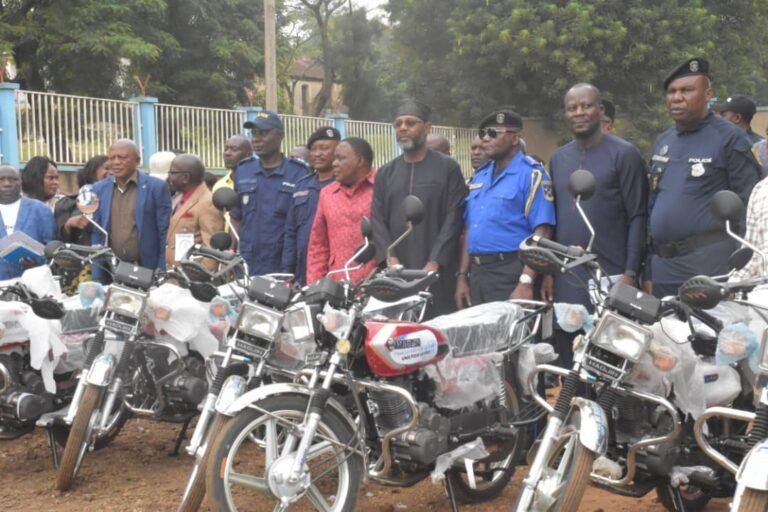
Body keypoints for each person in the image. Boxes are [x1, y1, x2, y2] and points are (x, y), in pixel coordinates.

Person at [545, 84, 648, 367]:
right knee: (570, 358)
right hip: (569, 277)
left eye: (586, 106)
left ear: (600, 110)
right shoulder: (558, 159)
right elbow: (555, 219)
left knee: (612, 361)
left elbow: (638, 216)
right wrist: (551, 272)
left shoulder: (625, 154)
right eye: (572, 108)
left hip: (612, 275)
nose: (579, 113)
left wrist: (629, 273)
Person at [646, 58, 762, 298]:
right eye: (672, 91)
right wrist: (648, 268)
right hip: (663, 269)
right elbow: (653, 203)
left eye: (687, 90)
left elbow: (749, 211)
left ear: (708, 94)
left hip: (709, 267)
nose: (677, 97)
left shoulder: (731, 140)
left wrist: (738, 275)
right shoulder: (664, 142)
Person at [371, 98, 466, 318]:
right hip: (396, 274)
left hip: (437, 271)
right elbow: (377, 218)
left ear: (427, 127)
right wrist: (390, 258)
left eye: (410, 123)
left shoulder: (448, 168)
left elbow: (454, 217)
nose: (403, 128)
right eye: (398, 124)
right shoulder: (386, 172)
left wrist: (434, 262)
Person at [455, 109, 556, 308]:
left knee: (512, 338)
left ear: (514, 138)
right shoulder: (480, 176)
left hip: (510, 271)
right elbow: (469, 229)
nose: (485, 139)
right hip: (477, 273)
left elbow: (543, 231)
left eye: (493, 133)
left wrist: (526, 281)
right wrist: (462, 276)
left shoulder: (531, 174)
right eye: (483, 133)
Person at [231, 110, 309, 275]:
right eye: (254, 134)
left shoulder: (299, 173)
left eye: (264, 133)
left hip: (284, 264)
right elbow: (236, 217)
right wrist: (231, 254)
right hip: (247, 263)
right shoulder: (244, 170)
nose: (257, 139)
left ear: (280, 135)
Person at [91, 139, 172, 277]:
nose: (116, 162)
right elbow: (97, 229)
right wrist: (97, 270)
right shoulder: (99, 188)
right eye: (112, 158)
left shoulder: (156, 187)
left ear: (137, 160)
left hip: (146, 267)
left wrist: (162, 268)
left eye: (122, 158)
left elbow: (164, 231)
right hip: (111, 269)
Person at [306, 137, 377, 284]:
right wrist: (315, 286)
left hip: (376, 283)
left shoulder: (382, 187)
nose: (334, 164)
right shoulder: (327, 194)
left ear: (360, 161)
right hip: (337, 284)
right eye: (334, 159)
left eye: (340, 159)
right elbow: (318, 244)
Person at [281, 126, 340, 284]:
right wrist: (287, 273)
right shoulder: (301, 186)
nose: (317, 154)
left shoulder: (343, 185)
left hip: (334, 269)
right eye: (313, 149)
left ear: (338, 151)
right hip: (303, 268)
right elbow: (291, 232)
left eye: (324, 148)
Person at [53, 155, 110, 293]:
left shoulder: (118, 200)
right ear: (91, 173)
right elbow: (57, 241)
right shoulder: (67, 203)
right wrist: (68, 225)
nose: (111, 172)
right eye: (106, 168)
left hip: (110, 267)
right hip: (78, 270)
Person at [165, 154, 224, 271]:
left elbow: (212, 250)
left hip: (191, 277)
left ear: (185, 177)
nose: (169, 177)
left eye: (172, 173)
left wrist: (199, 278)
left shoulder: (207, 202)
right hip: (176, 273)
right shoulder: (182, 197)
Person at [0, 165, 55, 280]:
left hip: (31, 284)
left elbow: (51, 249)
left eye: (13, 179)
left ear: (21, 182)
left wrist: (38, 263)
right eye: (1, 179)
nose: (7, 184)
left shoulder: (40, 209)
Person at [215, 134, 253, 232]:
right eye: (226, 149)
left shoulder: (258, 183)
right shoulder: (219, 185)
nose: (227, 153)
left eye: (234, 149)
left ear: (248, 155)